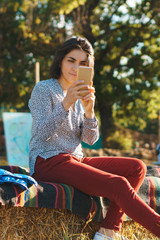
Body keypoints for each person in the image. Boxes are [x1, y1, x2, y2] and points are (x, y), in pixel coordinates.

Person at [28, 36, 160, 240]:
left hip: (75, 159)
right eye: (71, 60)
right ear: (61, 60)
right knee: (117, 185)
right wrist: (66, 103)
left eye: (82, 63)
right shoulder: (44, 89)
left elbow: (90, 140)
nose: (75, 67)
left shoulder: (81, 94)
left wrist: (89, 112)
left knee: (137, 167)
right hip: (47, 160)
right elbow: (41, 133)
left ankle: (108, 230)